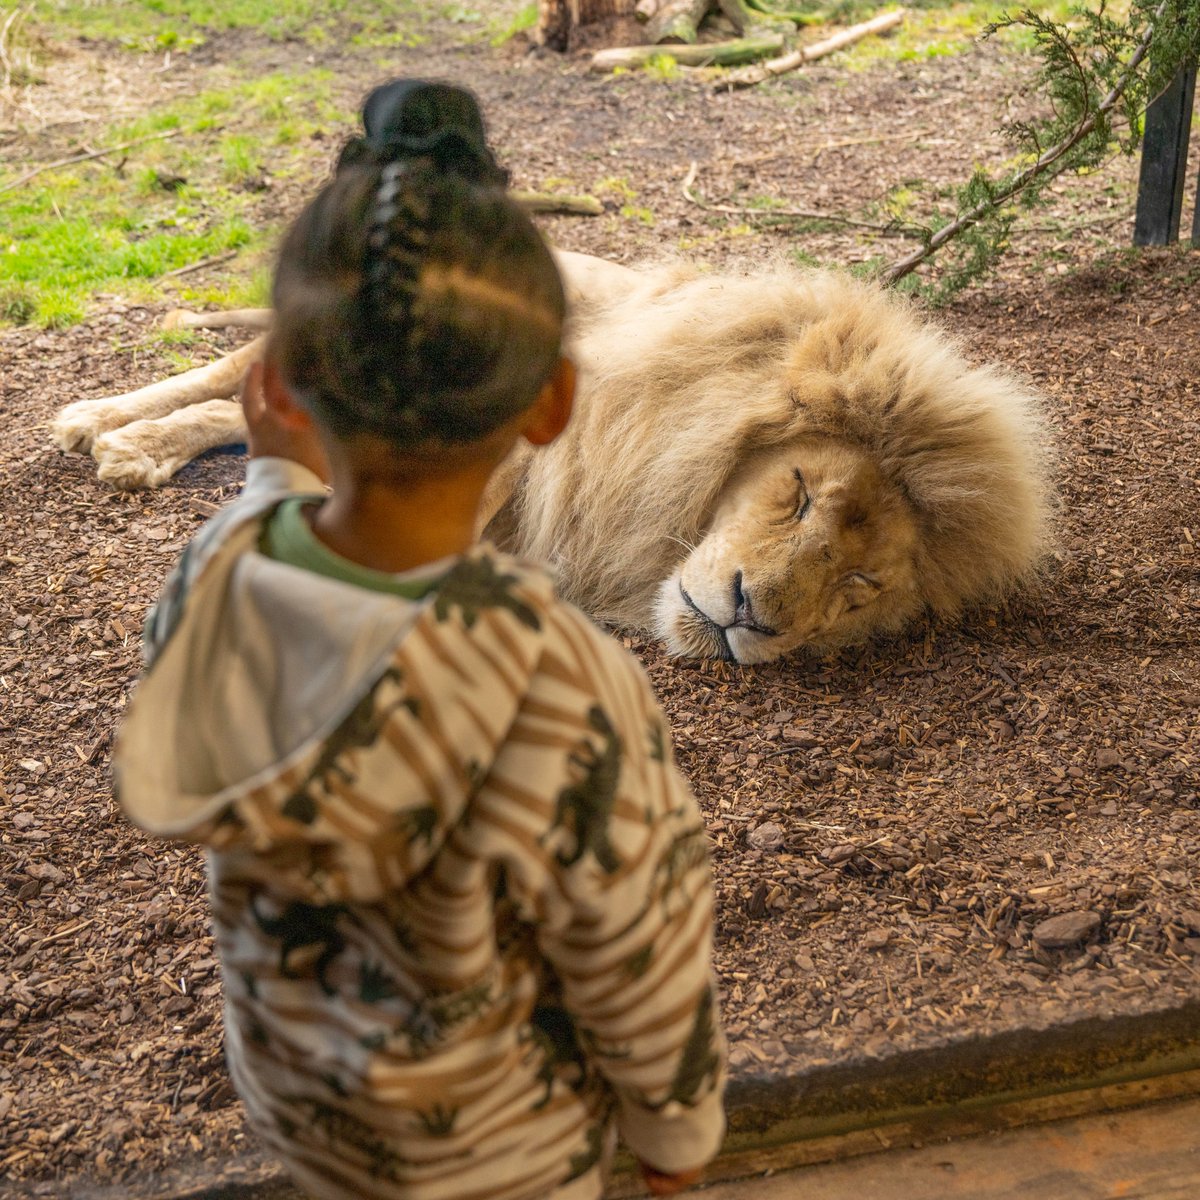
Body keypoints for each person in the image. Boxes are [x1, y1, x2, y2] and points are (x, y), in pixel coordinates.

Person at [114, 79, 726, 1200]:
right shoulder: (559, 675)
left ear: (284, 387)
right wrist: (675, 1140)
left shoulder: (224, 570)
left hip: (304, 1113)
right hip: (505, 1155)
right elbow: (636, 935)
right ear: (551, 406)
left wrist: (267, 475)